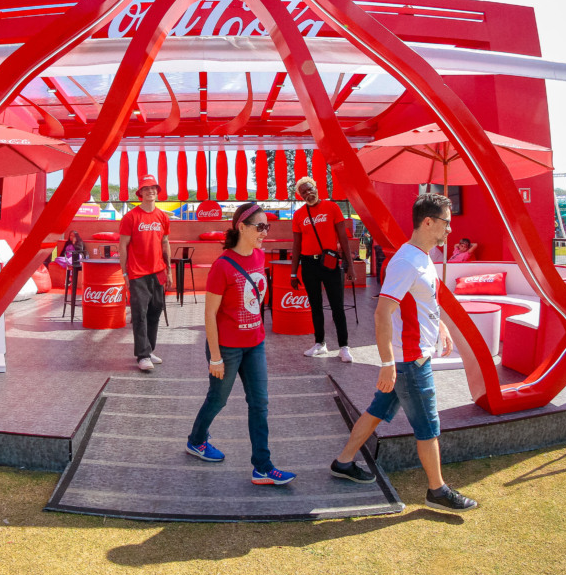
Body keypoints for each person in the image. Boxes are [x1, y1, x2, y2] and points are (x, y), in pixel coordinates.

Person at [328, 192, 478, 514]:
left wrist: (441, 327)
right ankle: (436, 490)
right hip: (410, 361)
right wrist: (386, 363)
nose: (450, 230)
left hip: (410, 358)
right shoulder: (406, 262)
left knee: (377, 411)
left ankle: (343, 462)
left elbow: (424, 301)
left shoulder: (422, 256)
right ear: (428, 222)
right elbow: (382, 313)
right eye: (446, 223)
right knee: (428, 427)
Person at [185, 202, 295, 486]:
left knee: (260, 403)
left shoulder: (259, 257)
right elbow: (209, 314)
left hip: (254, 343)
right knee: (218, 399)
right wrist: (216, 358)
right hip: (227, 349)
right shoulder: (222, 266)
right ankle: (196, 440)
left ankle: (262, 466)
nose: (264, 232)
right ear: (241, 228)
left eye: (266, 227)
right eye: (259, 227)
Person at [290, 176, 355, 361]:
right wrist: (294, 272)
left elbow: (343, 237)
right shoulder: (299, 215)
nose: (308, 193)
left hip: (330, 262)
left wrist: (349, 265)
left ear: (316, 187)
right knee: (315, 306)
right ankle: (320, 343)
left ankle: (344, 347)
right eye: (303, 192)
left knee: (337, 306)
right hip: (309, 264)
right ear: (300, 196)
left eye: (310, 189)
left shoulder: (332, 207)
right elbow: (296, 245)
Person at [119, 175, 172, 372]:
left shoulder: (163, 217)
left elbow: (165, 242)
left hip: (158, 272)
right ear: (140, 193)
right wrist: (124, 274)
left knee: (155, 312)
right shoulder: (130, 217)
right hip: (137, 274)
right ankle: (142, 355)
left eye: (154, 188)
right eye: (146, 188)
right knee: (139, 314)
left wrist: (169, 271)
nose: (151, 191)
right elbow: (123, 246)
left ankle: (149, 351)